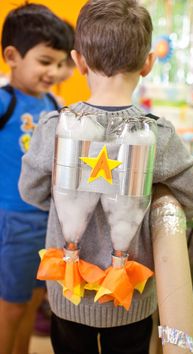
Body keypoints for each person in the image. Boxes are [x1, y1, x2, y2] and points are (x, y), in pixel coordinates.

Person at [19, 1, 193, 353]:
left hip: (68, 294)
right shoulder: (158, 135)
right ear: (148, 63)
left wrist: (64, 197)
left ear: (78, 62)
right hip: (130, 301)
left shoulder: (53, 127)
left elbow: (29, 189)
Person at [0, 4, 74, 354]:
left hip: (47, 222)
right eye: (45, 61)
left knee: (31, 302)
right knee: (11, 306)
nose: (55, 71)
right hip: (12, 221)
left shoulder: (53, 103)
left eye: (60, 63)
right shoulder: (4, 101)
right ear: (12, 56)